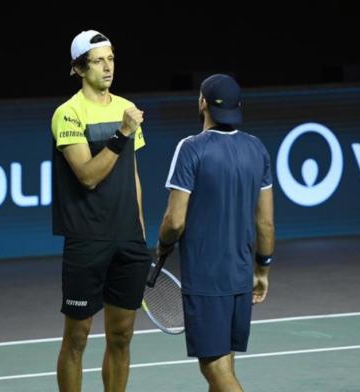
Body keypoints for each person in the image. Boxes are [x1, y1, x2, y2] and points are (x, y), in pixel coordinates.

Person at [157, 74, 275, 392]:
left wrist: (162, 245)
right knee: (226, 362)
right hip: (240, 276)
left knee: (215, 369)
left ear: (202, 103)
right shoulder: (257, 149)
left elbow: (175, 220)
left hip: (207, 279)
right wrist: (262, 270)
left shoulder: (191, 149)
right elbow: (265, 224)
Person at [51, 30, 151, 392]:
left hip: (128, 240)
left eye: (111, 59)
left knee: (122, 337)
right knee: (77, 338)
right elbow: (88, 176)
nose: (108, 67)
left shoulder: (125, 106)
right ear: (79, 68)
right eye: (98, 60)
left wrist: (140, 232)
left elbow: (133, 175)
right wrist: (123, 132)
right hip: (87, 240)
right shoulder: (68, 115)